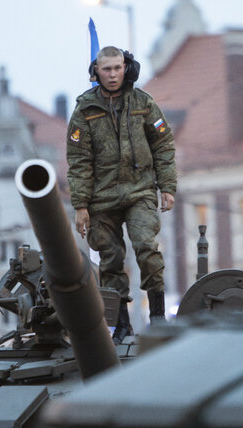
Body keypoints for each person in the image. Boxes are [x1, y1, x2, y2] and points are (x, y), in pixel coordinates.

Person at [66, 46, 177, 344]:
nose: (113, 75)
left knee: (146, 247)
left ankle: (157, 317)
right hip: (102, 199)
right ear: (96, 72)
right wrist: (81, 205)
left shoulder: (142, 103)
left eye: (118, 68)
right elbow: (78, 162)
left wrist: (167, 186)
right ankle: (123, 324)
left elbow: (163, 144)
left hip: (139, 190)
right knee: (111, 259)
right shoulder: (84, 111)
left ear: (126, 68)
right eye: (107, 69)